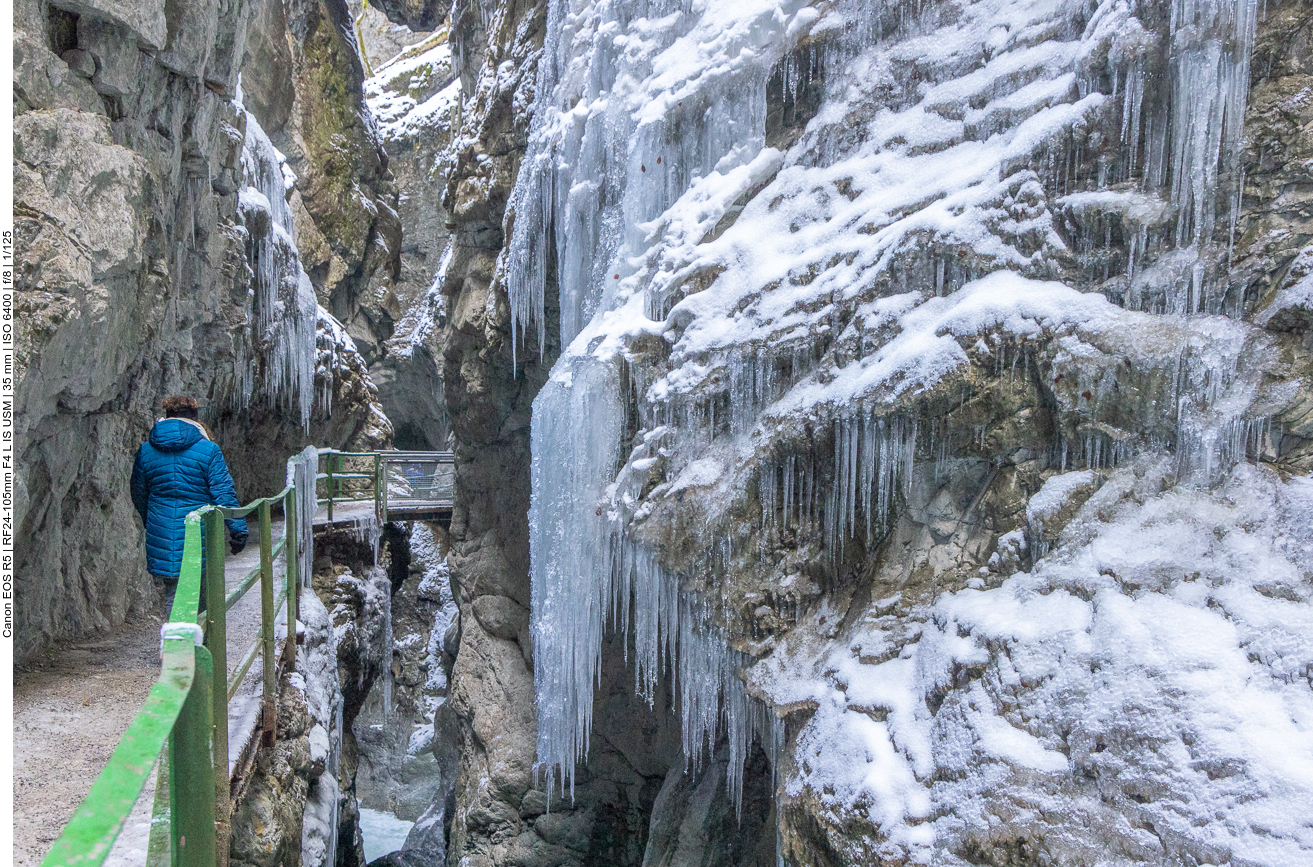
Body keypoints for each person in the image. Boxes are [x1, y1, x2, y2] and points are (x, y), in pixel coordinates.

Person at [131, 396, 248, 608]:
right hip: (199, 530)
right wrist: (238, 529)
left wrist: (153, 520)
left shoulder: (146, 451)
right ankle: (197, 629)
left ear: (167, 416)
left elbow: (139, 492)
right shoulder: (209, 450)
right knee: (200, 594)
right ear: (195, 417)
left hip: (162, 530)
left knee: (173, 593)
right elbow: (223, 492)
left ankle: (177, 628)